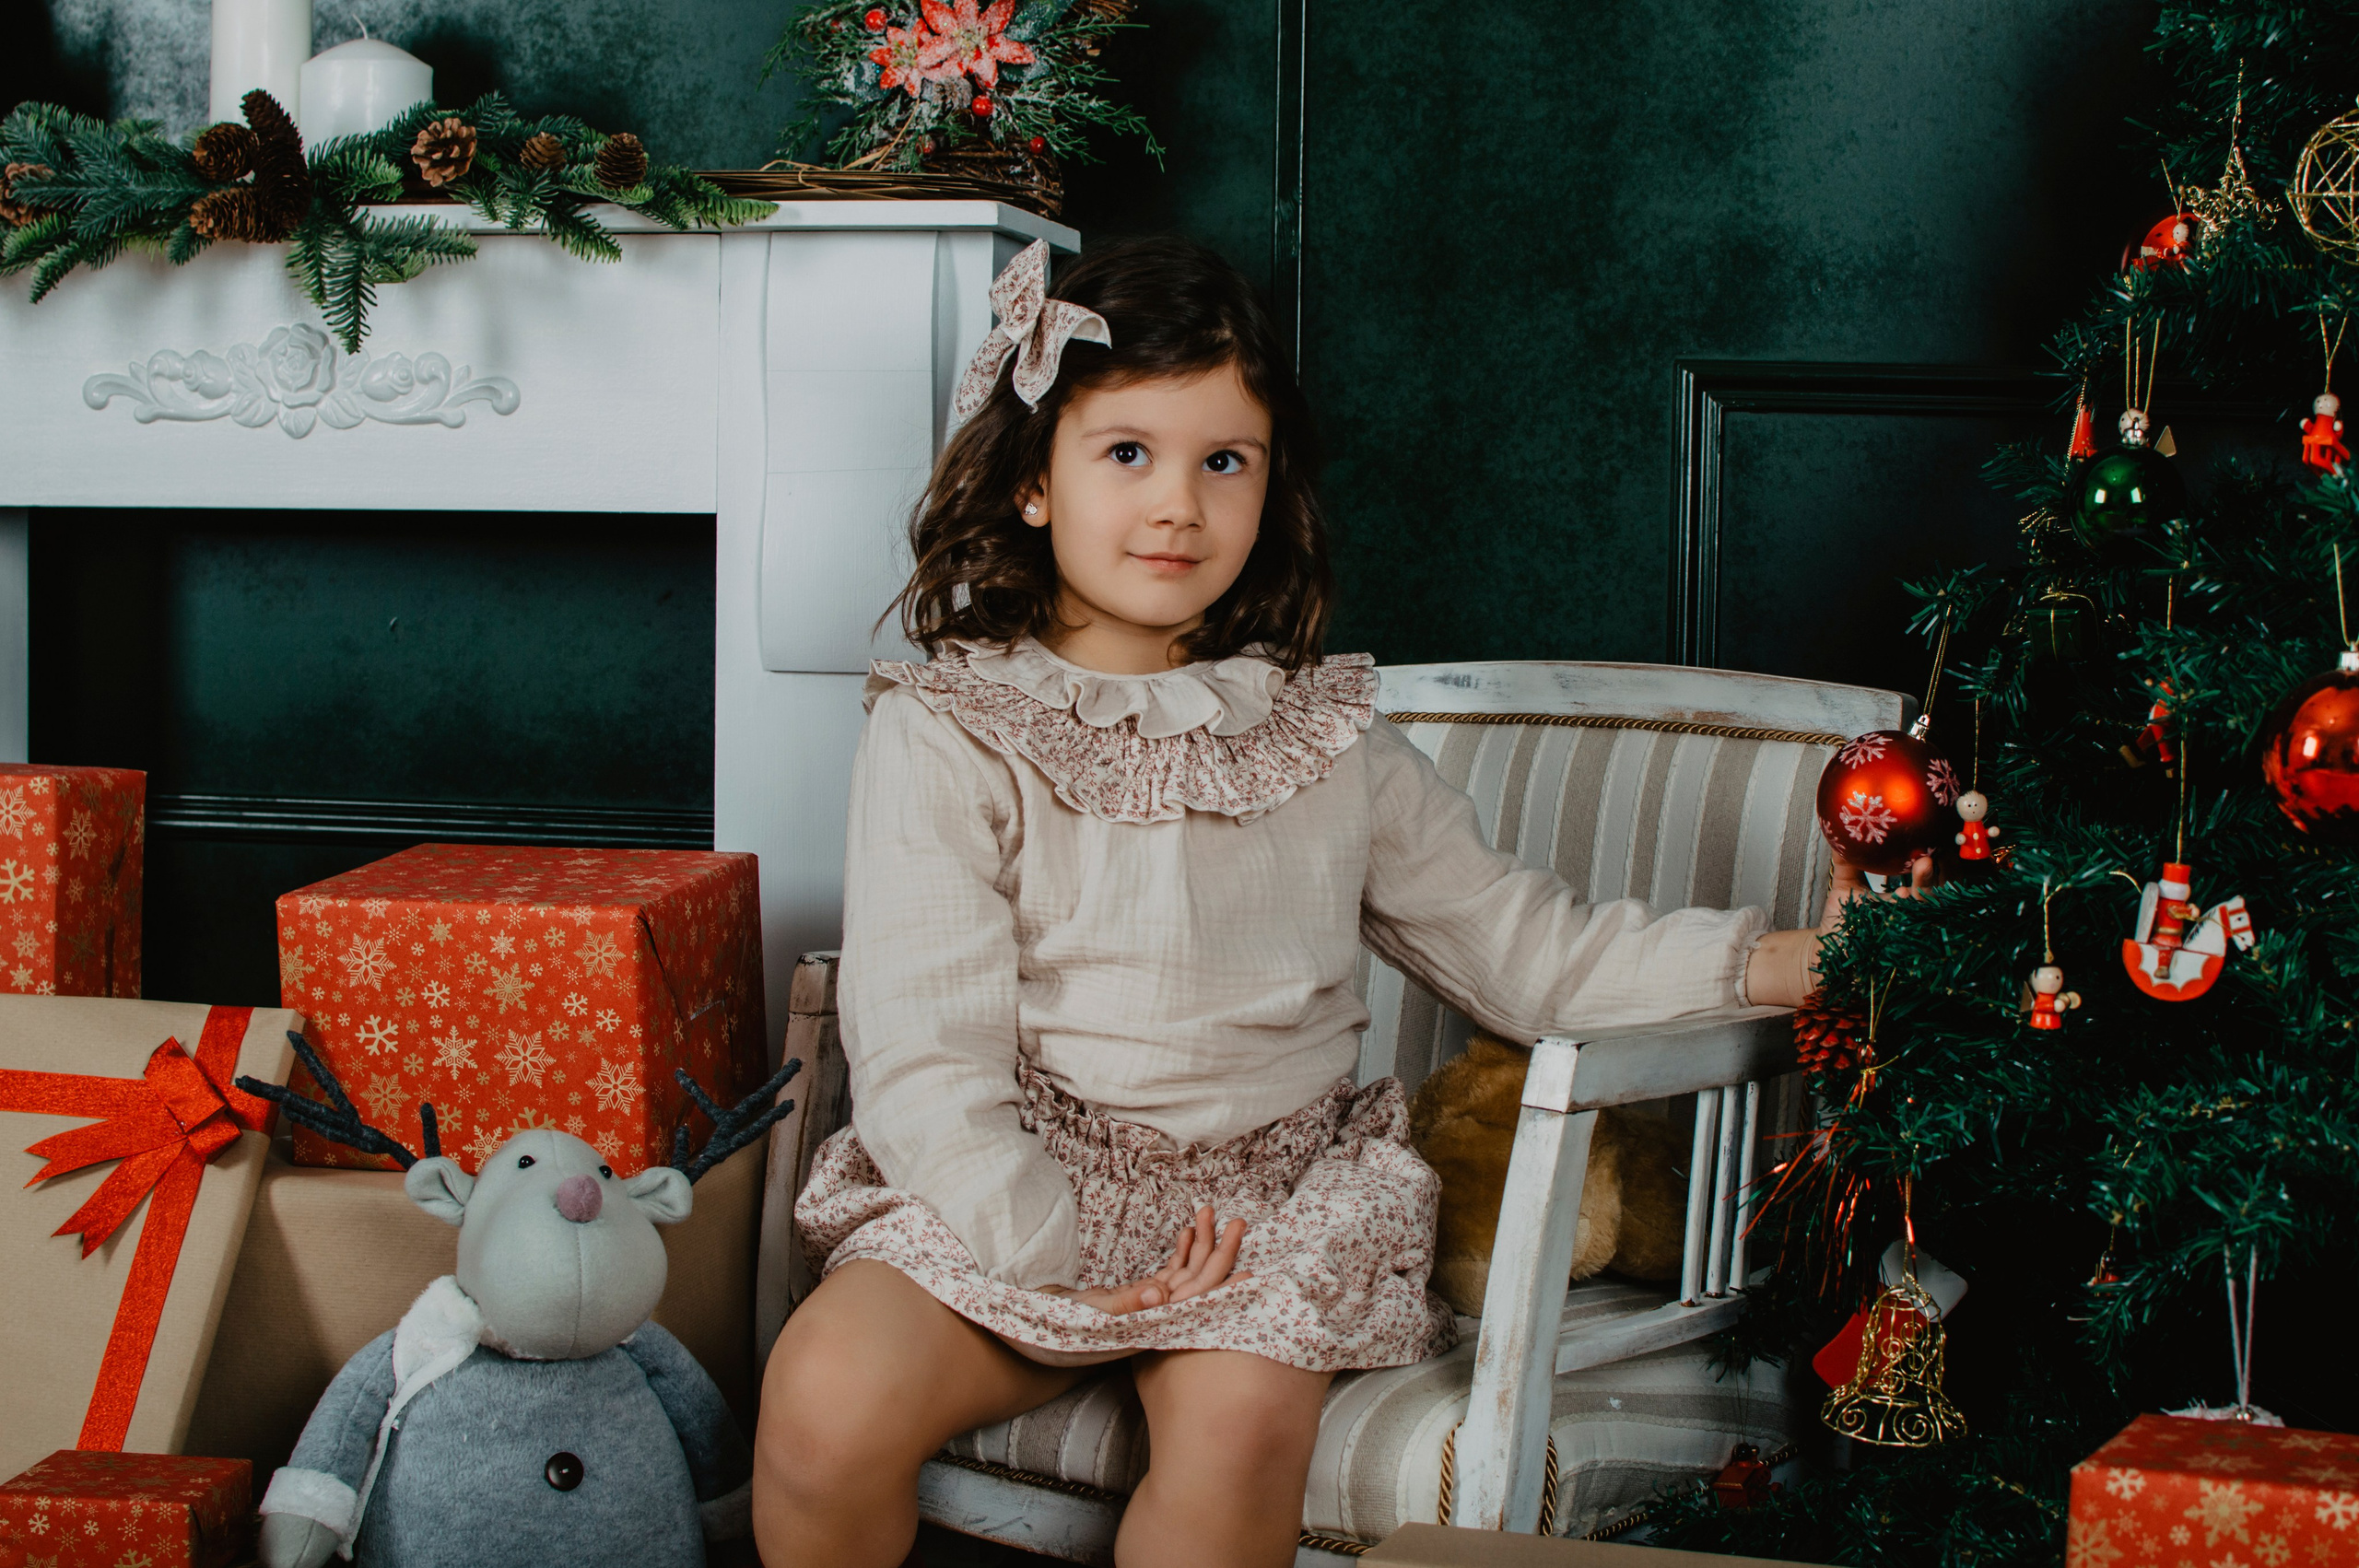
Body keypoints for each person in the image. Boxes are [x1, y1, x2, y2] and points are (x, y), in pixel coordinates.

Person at [753, 235, 1907, 1568]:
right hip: (1024, 1180)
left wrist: (1783, 962)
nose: (1177, 505)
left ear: (1270, 486)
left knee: (1238, 1433)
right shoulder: (954, 724)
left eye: (1223, 462)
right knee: (825, 1395)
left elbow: (1527, 954)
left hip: (1263, 1201)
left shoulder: (1325, 735)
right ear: (1031, 481)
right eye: (1126, 452)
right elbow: (926, 1043)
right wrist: (1046, 1254)